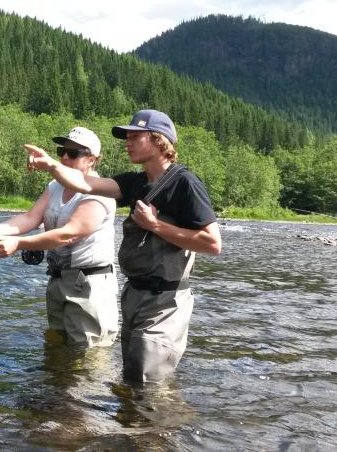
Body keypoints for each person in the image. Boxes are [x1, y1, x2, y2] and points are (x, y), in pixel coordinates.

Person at [24, 110, 222, 382]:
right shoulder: (134, 182)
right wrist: (51, 165)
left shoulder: (184, 183)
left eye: (134, 136)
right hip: (134, 296)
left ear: (158, 140)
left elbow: (212, 243)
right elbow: (83, 182)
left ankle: (163, 424)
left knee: (148, 384)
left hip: (166, 300)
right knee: (131, 381)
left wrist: (155, 225)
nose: (127, 142)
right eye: (126, 137)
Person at [0, 127, 119, 348]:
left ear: (92, 159)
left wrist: (18, 244)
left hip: (90, 286)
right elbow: (31, 217)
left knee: (87, 362)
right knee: (57, 351)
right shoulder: (55, 186)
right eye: (62, 151)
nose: (64, 157)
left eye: (73, 153)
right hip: (58, 281)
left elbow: (68, 234)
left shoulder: (100, 191)